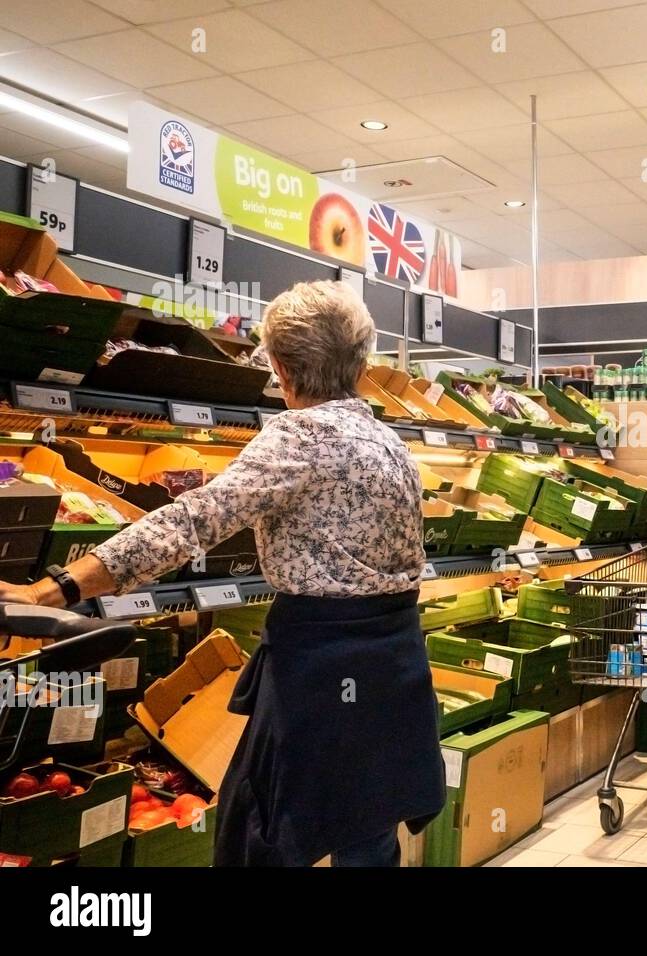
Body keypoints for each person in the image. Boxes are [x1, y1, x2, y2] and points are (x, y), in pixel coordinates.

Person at [0, 281, 444, 866]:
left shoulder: (301, 435)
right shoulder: (392, 443)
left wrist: (53, 587)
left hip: (321, 663)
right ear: (360, 363)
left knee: (265, 824)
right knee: (367, 817)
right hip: (392, 661)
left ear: (282, 370)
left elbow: (189, 523)